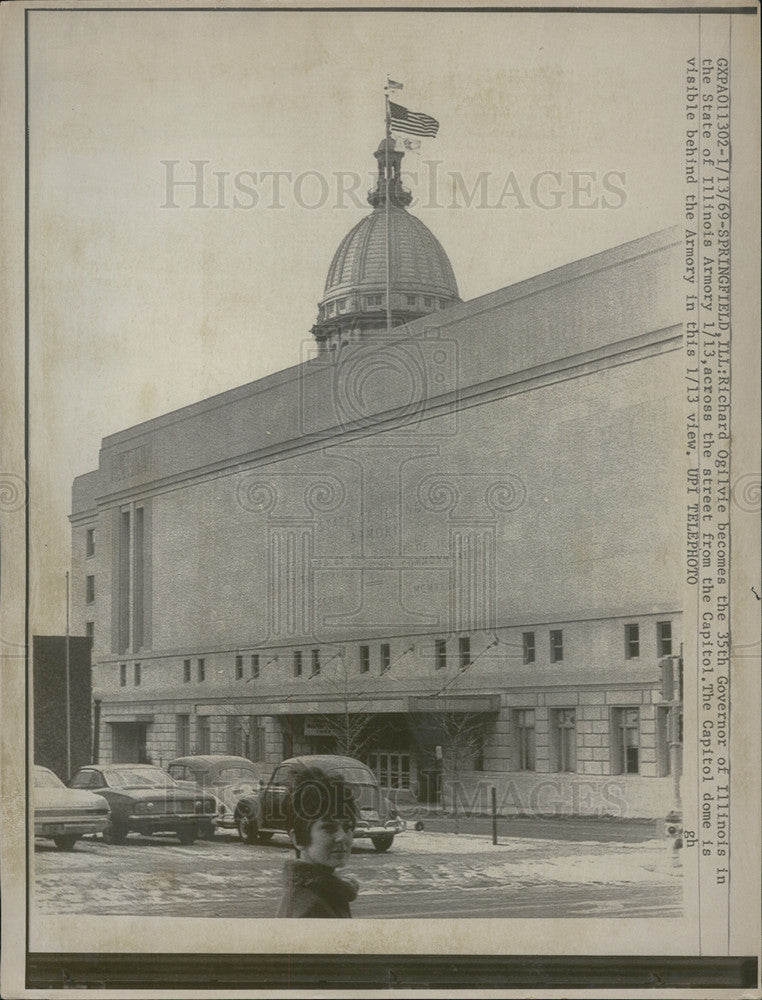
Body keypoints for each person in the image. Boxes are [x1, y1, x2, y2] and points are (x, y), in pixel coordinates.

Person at [277, 766, 360, 918]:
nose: (342, 837)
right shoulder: (311, 908)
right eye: (329, 828)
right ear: (298, 839)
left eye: (347, 827)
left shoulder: (324, 892)